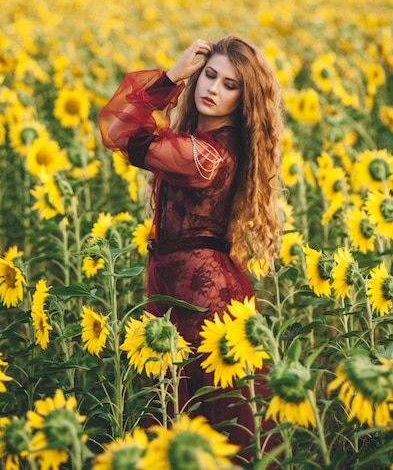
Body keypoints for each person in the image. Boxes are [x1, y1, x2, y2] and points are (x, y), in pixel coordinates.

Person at [98, 35, 284, 461]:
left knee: (208, 417)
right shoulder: (209, 143)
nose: (212, 88)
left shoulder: (206, 157)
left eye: (229, 85)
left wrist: (171, 77)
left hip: (201, 297)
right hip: (187, 283)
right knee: (190, 416)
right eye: (208, 75)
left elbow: (119, 129)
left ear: (245, 99)